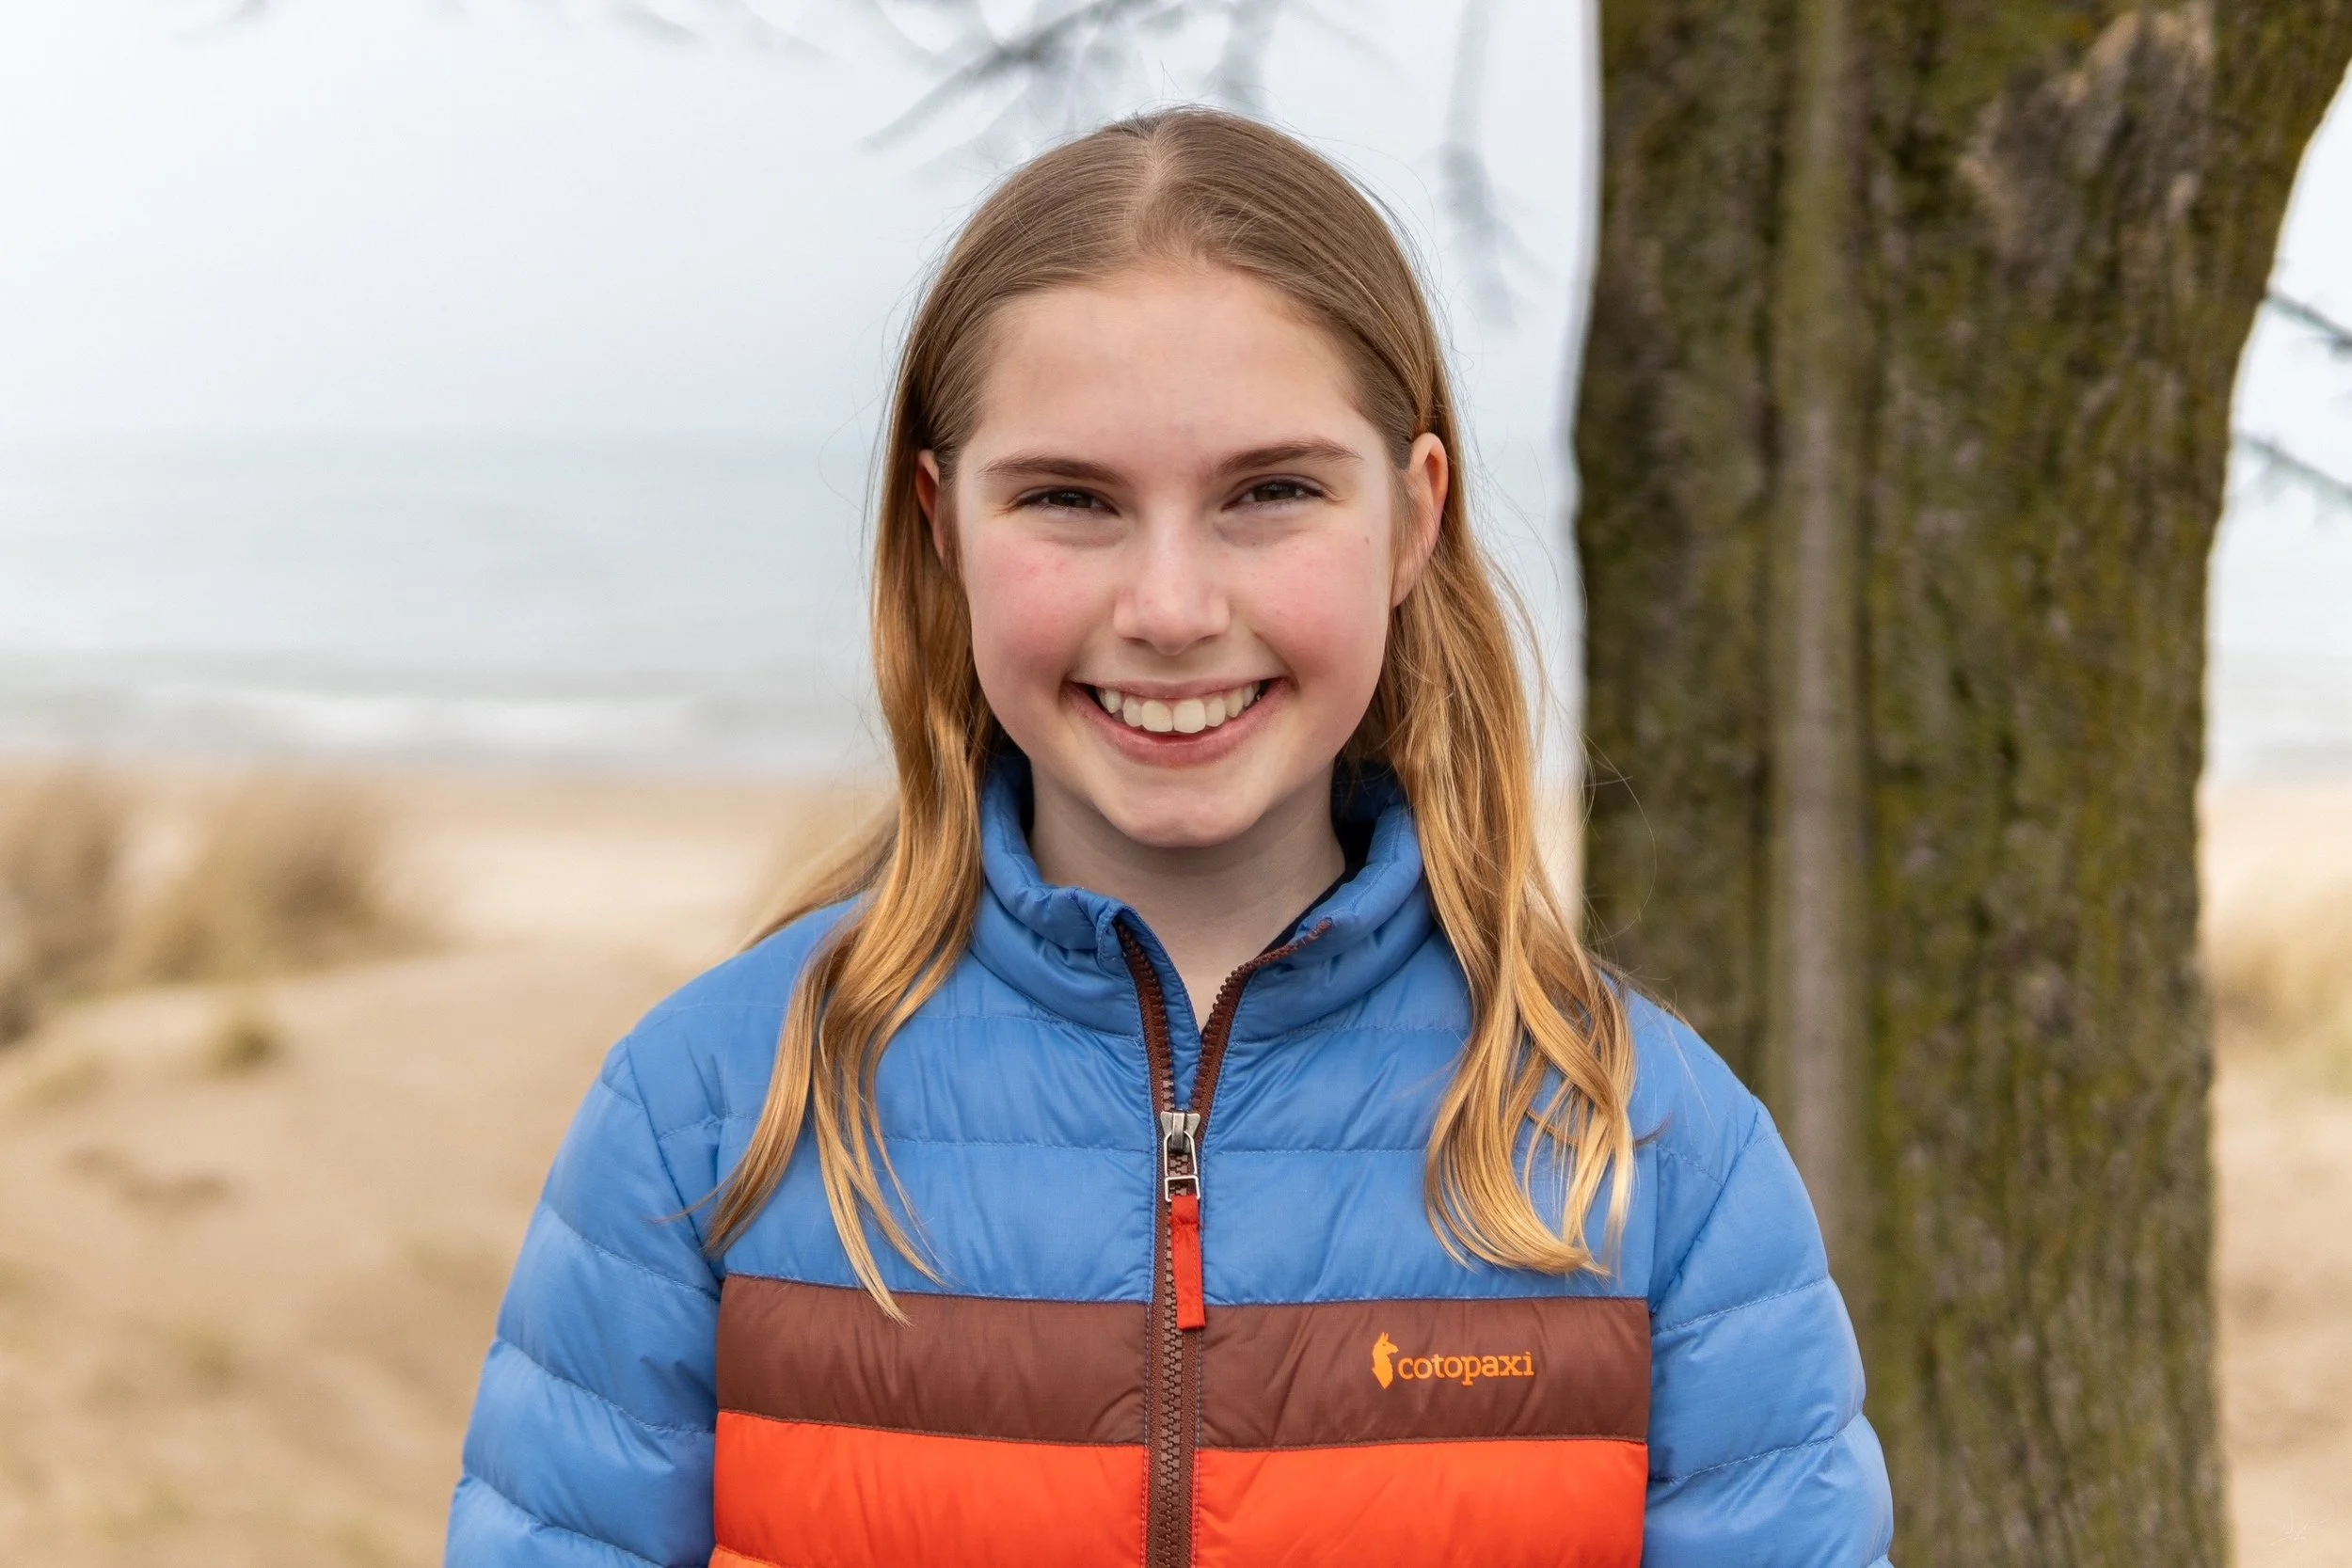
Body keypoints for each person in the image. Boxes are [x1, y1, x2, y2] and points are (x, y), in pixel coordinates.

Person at [446, 108, 1895, 1568]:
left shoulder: (1651, 1160)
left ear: (1411, 519)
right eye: (1071, 499)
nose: (1172, 605)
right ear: (942, 529)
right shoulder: (708, 1122)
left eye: (1271, 492)